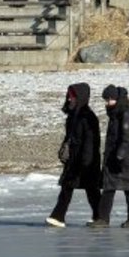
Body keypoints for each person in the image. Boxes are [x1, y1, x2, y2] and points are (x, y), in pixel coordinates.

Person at [46, 83, 102, 228]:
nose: (69, 99)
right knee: (68, 187)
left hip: (86, 160)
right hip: (74, 159)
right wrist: (64, 149)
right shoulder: (73, 116)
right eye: (69, 96)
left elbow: (91, 142)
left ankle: (100, 216)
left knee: (91, 189)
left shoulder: (88, 117)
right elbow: (70, 137)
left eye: (72, 97)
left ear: (80, 97)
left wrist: (86, 161)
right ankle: (58, 216)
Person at [92, 84, 129, 228]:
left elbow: (127, 137)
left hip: (126, 159)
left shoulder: (125, 114)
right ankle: (103, 219)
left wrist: (120, 156)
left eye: (110, 99)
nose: (107, 103)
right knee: (109, 188)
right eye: (106, 100)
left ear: (117, 99)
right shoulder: (115, 113)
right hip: (115, 157)